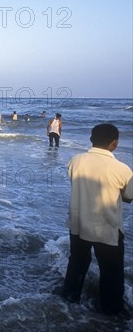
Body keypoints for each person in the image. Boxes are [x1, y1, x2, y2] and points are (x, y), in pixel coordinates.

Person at [62, 124, 132, 317]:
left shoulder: (76, 161)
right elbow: (128, 197)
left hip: (78, 223)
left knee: (77, 262)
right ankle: (110, 311)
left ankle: (69, 300)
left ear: (91, 140)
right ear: (115, 144)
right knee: (111, 272)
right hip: (108, 228)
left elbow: (75, 182)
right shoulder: (123, 169)